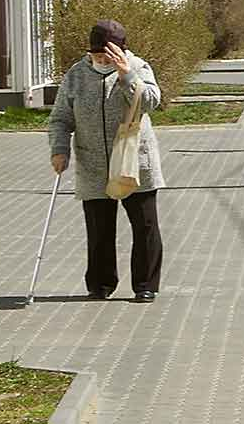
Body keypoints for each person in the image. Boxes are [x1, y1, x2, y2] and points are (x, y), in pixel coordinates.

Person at [48, 20, 164, 303]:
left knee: (145, 226)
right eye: (97, 54)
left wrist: (127, 75)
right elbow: (60, 118)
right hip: (93, 163)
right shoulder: (76, 74)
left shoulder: (138, 67)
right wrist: (59, 149)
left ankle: (145, 284)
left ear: (121, 51)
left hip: (134, 161)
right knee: (99, 229)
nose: (102, 60)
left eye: (108, 55)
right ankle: (100, 284)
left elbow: (151, 102)